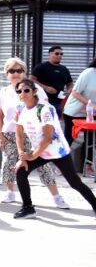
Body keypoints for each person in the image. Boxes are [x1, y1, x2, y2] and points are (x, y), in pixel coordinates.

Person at [12, 78, 96, 220]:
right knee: (21, 171)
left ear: (34, 92)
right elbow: (19, 135)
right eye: (19, 91)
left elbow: (48, 138)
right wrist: (22, 156)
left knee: (74, 182)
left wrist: (32, 156)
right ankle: (28, 208)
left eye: (26, 90)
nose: (23, 93)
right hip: (40, 150)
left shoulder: (45, 109)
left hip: (57, 151)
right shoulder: (20, 109)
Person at [0, 58, 66, 207]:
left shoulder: (35, 89)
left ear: (24, 73)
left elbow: (45, 110)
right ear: (6, 74)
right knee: (9, 163)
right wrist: (0, 133)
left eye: (19, 70)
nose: (16, 73)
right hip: (10, 134)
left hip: (33, 134)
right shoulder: (4, 92)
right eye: (12, 71)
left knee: (43, 165)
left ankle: (56, 196)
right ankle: (10, 192)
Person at [61, 57, 96, 147]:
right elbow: (75, 92)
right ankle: (61, 159)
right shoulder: (89, 73)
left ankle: (88, 160)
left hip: (91, 114)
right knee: (69, 139)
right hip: (74, 112)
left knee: (91, 141)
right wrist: (91, 105)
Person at [31, 45, 73, 112]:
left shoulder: (64, 69)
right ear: (50, 54)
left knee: (56, 121)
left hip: (58, 103)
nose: (59, 56)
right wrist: (46, 87)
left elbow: (70, 83)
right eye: (56, 53)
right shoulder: (41, 67)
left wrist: (68, 91)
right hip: (42, 102)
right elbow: (31, 79)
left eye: (61, 54)